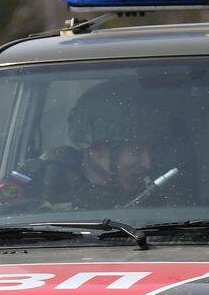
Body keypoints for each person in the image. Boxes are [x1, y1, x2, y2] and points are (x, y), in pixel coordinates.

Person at [42, 79, 166, 210]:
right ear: (96, 149)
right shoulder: (41, 188)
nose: (147, 163)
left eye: (151, 149)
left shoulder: (156, 199)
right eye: (136, 150)